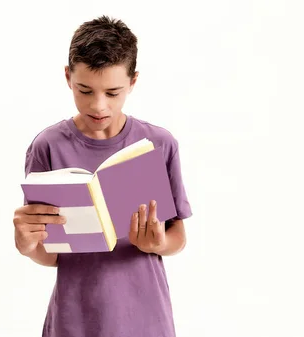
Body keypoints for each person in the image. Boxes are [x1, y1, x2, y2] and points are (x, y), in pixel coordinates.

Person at [12, 15, 193, 337]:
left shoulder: (159, 145)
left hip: (145, 317)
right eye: (84, 90)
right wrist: (27, 245)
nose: (98, 106)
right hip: (75, 317)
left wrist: (159, 242)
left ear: (133, 82)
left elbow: (178, 237)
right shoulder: (48, 147)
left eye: (113, 92)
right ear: (68, 77)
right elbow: (50, 253)